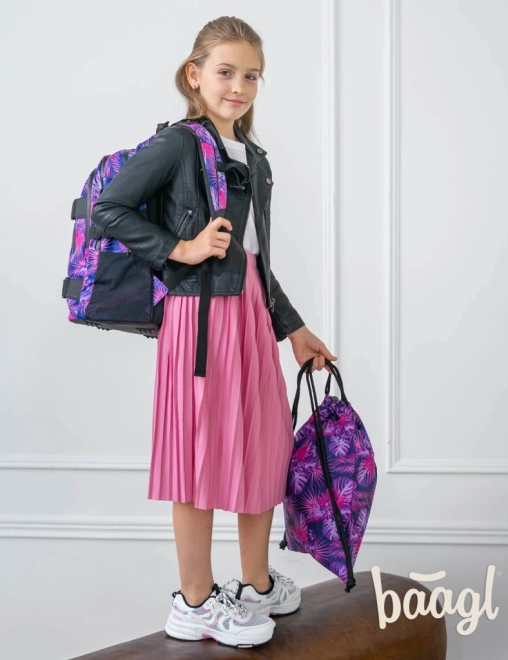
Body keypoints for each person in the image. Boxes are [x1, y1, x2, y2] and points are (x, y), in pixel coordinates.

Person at [93, 16, 337, 649]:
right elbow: (107, 208)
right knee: (199, 454)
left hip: (250, 312)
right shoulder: (179, 145)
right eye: (225, 72)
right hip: (199, 321)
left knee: (265, 444)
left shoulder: (254, 157)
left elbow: (255, 259)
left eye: (251, 76)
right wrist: (181, 248)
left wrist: (295, 329)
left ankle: (255, 584)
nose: (239, 87)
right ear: (194, 75)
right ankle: (195, 601)